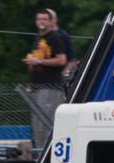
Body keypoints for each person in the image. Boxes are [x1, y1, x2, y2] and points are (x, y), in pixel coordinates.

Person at [23, 9, 67, 149]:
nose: (41, 21)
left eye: (44, 19)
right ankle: (39, 156)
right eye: (39, 19)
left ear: (50, 21)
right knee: (36, 127)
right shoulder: (38, 38)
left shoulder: (55, 38)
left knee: (46, 125)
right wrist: (31, 83)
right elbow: (35, 61)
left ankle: (47, 156)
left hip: (50, 87)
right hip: (36, 88)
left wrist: (40, 62)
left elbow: (62, 60)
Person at [45, 8, 77, 83]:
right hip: (41, 82)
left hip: (55, 83)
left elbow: (72, 61)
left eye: (49, 18)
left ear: (55, 20)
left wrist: (63, 77)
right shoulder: (41, 35)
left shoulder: (62, 35)